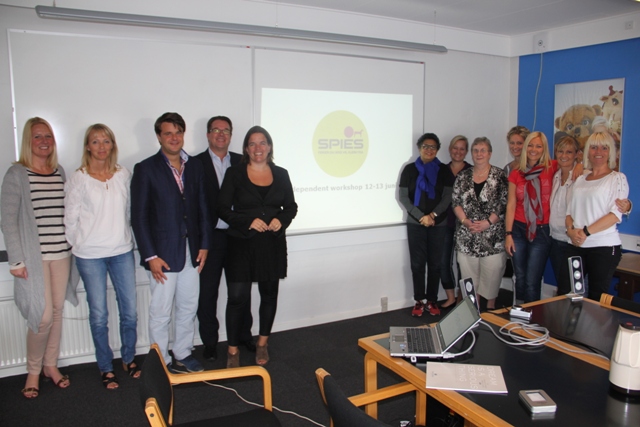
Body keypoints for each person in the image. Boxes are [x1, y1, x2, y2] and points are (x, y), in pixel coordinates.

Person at [1, 117, 78, 398]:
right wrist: (16, 260)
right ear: (28, 141)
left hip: (61, 254)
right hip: (35, 258)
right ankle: (33, 370)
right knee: (42, 316)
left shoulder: (59, 171)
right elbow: (8, 220)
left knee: (56, 311)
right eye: (37, 136)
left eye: (48, 136)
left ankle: (50, 366)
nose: (44, 141)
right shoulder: (17, 174)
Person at [131, 112, 211, 373]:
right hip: (162, 255)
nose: (174, 138)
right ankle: (161, 361)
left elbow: (203, 208)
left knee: (188, 306)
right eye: (168, 133)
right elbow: (139, 217)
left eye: (178, 132)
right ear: (159, 137)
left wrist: (204, 245)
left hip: (192, 252)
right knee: (161, 311)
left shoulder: (195, 166)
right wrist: (150, 256)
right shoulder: (145, 169)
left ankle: (183, 352)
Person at [64, 124, 139, 390]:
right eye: (95, 141)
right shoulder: (79, 178)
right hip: (90, 256)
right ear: (87, 146)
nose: (101, 146)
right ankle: (106, 367)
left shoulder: (123, 175)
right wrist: (80, 244)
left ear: (112, 145)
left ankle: (129, 359)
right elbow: (70, 218)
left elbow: (129, 211)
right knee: (99, 315)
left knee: (130, 312)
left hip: (121, 251)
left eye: (106, 141)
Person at [218, 126, 297, 368]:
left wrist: (281, 220)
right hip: (241, 244)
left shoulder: (281, 174)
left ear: (270, 146)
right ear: (246, 149)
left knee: (269, 295)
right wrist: (247, 221)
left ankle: (262, 343)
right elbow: (222, 209)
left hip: (271, 245)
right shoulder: (234, 173)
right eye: (252, 144)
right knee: (237, 298)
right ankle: (232, 349)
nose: (258, 148)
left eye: (262, 143)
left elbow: (291, 207)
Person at [195, 116, 254, 362]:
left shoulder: (243, 161)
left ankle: (243, 335)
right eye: (216, 130)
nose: (221, 134)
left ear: (231, 135)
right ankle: (210, 342)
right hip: (210, 239)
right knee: (207, 293)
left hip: (238, 237)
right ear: (208, 134)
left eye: (226, 130)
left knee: (241, 291)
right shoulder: (195, 164)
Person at [562, 131, 629, 300]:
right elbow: (569, 212)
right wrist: (570, 231)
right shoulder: (580, 179)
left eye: (604, 148)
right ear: (587, 151)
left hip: (603, 247)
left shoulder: (617, 179)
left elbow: (614, 215)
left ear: (610, 152)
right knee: (569, 295)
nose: (598, 151)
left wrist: (585, 232)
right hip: (575, 245)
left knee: (596, 299)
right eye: (594, 147)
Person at [398, 133, 454, 317]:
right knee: (417, 264)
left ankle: (432, 300)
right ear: (419, 148)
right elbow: (403, 197)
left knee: (435, 264)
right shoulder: (409, 170)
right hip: (415, 224)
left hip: (438, 223)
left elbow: (447, 197)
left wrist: (432, 215)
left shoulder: (444, 170)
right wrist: (421, 217)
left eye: (433, 147)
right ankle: (419, 300)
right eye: (425, 146)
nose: (429, 150)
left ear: (437, 149)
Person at [452, 137, 508, 310]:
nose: (479, 154)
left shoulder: (500, 176)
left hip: (492, 237)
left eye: (483, 150)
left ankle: (491, 308)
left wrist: (488, 223)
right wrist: (465, 221)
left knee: (492, 275)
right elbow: (456, 202)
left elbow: (504, 203)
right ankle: (473, 309)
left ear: (490, 153)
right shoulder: (463, 176)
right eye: (475, 150)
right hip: (467, 236)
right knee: (469, 278)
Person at [505, 131, 560, 303]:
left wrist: (579, 166)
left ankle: (531, 314)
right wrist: (508, 234)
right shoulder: (516, 172)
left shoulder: (553, 167)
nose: (533, 149)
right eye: (530, 145)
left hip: (542, 231)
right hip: (518, 229)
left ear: (544, 149)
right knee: (520, 276)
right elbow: (511, 204)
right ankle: (520, 312)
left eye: (538, 146)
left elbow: (574, 164)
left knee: (532, 280)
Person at [440, 135, 472, 308]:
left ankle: (462, 298)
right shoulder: (441, 170)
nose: (458, 152)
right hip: (444, 223)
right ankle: (451, 297)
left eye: (462, 148)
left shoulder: (472, 171)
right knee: (443, 262)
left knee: (463, 263)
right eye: (455, 148)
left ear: (466, 152)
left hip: (465, 224)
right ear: (449, 149)